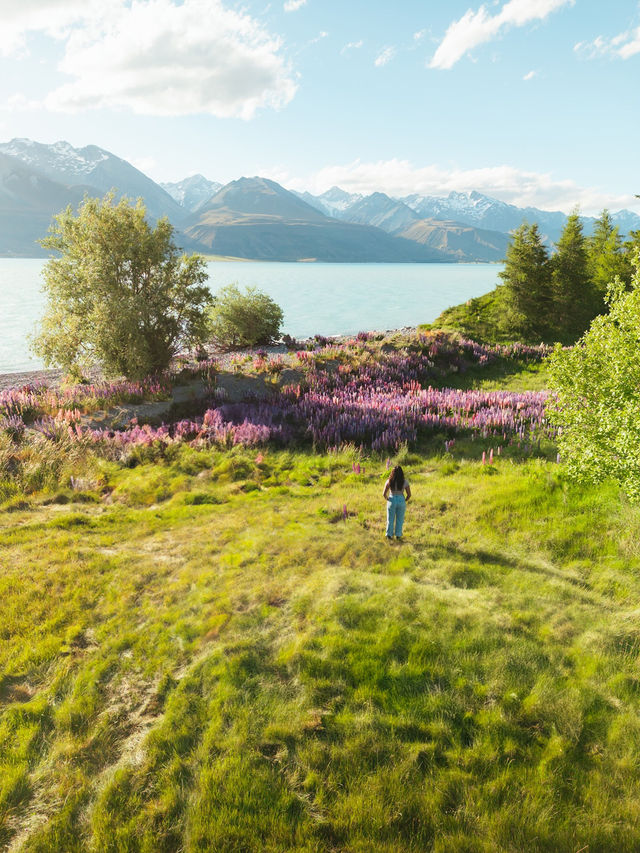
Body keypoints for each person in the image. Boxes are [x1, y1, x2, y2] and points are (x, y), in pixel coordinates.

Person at [383, 465, 411, 540]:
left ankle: (389, 535)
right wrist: (404, 500)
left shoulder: (389, 481)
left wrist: (387, 499)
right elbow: (409, 494)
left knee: (390, 519)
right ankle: (398, 535)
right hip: (401, 499)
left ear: (393, 473)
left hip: (392, 498)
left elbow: (384, 493)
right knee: (400, 519)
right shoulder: (405, 481)